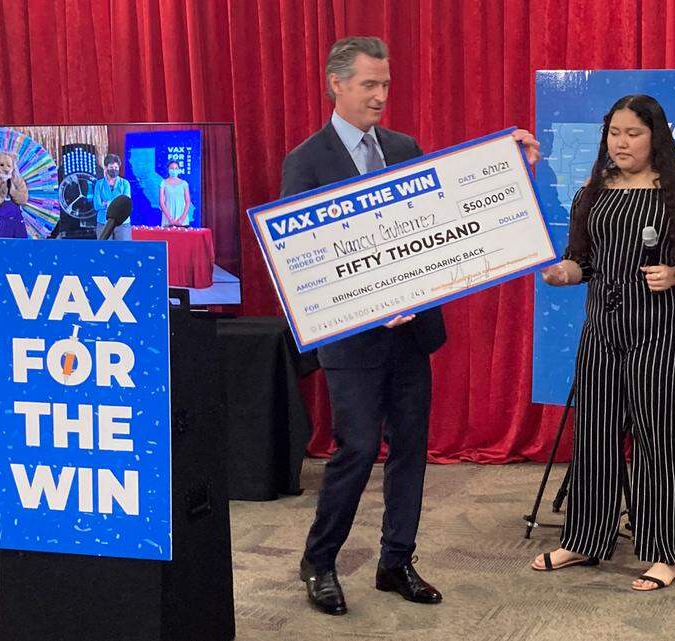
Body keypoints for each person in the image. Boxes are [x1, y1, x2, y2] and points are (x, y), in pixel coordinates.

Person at [281, 35, 539, 616]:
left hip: (411, 332)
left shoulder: (404, 146)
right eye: (369, 84)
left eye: (386, 85)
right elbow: (303, 263)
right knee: (359, 447)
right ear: (336, 83)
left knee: (411, 448)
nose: (380, 96)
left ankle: (395, 560)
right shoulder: (307, 160)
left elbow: (439, 220)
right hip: (351, 340)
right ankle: (319, 561)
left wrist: (509, 164)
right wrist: (367, 301)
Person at [532, 94, 675, 591]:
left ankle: (666, 551)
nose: (620, 143)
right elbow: (583, 260)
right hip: (603, 327)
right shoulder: (593, 189)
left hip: (663, 330)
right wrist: (564, 273)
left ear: (655, 137)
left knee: (656, 436)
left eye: (633, 134)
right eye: (614, 133)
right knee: (595, 430)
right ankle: (584, 538)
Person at [0, 151, 29, 238]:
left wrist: (13, 191)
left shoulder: (17, 179)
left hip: (17, 218)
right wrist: (2, 193)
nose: (6, 169)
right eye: (2, 165)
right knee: (4, 246)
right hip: (2, 219)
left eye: (9, 166)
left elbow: (24, 198)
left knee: (22, 246)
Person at [93, 153, 132, 239]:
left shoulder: (125, 183)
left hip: (122, 223)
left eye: (116, 168)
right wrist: (117, 204)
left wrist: (106, 203)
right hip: (103, 222)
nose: (114, 169)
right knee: (104, 250)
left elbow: (125, 204)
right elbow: (96, 205)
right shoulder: (99, 184)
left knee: (124, 249)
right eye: (111, 167)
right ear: (106, 168)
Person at [159, 161, 191, 226]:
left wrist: (182, 218)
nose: (174, 170)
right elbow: (161, 202)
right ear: (168, 169)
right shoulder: (163, 183)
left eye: (176, 168)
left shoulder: (184, 184)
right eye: (172, 168)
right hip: (167, 220)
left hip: (182, 221)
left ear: (179, 170)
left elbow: (188, 202)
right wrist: (170, 218)